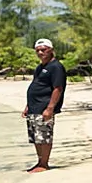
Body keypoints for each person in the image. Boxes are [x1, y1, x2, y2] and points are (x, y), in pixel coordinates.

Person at [22, 38, 65, 173]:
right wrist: (27, 106)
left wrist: (50, 108)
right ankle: (40, 161)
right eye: (38, 50)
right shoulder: (40, 68)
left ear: (51, 50)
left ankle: (44, 164)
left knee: (44, 136)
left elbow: (58, 88)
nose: (40, 53)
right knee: (36, 137)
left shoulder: (56, 67)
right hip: (33, 107)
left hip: (44, 107)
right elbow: (36, 85)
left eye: (43, 50)